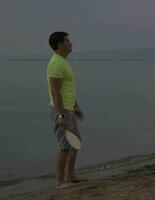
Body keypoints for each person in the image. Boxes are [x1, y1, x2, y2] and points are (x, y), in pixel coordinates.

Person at [47, 32, 85, 189]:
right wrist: (61, 115)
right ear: (60, 44)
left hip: (69, 108)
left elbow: (66, 89)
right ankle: (60, 182)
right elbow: (55, 93)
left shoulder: (63, 62)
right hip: (61, 111)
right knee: (64, 146)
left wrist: (75, 106)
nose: (71, 43)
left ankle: (70, 175)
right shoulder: (56, 63)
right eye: (68, 41)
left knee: (75, 144)